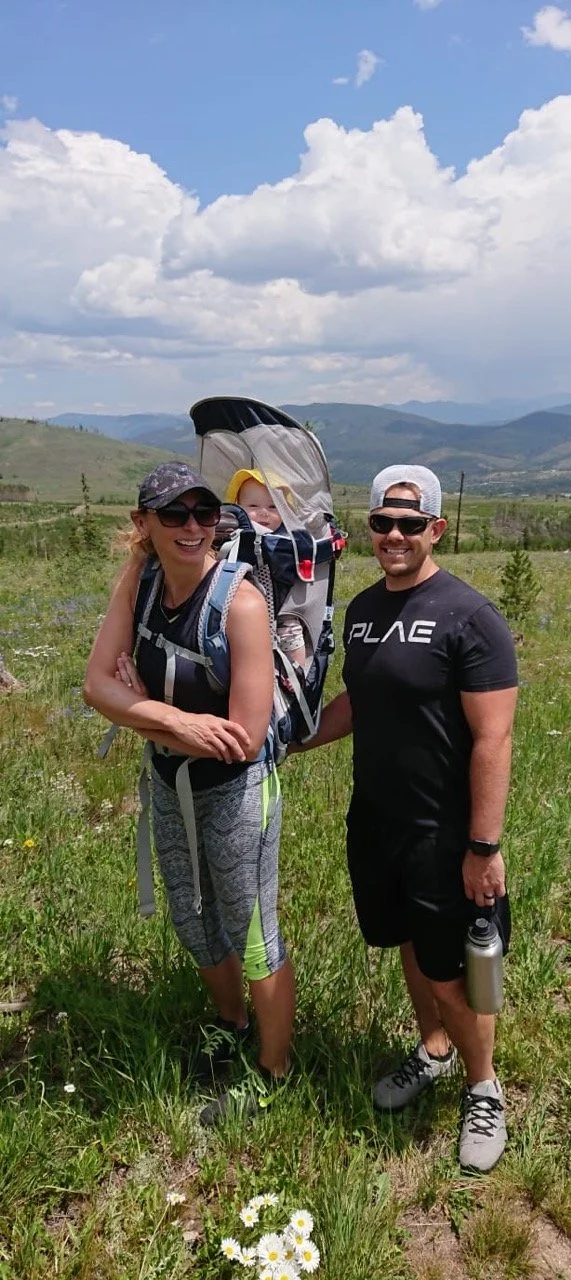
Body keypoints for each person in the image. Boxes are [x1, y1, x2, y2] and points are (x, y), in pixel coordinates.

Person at [296, 464, 518, 1173]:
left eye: (411, 524)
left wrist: (483, 845)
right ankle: (432, 1050)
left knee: (451, 971)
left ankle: (484, 1089)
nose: (395, 535)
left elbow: (494, 738)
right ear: (370, 529)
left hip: (444, 832)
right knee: (407, 949)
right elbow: (358, 704)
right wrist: (290, 737)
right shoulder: (360, 612)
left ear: (436, 530)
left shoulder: (470, 617)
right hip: (377, 822)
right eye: (383, 523)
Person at [83, 462, 295, 1120]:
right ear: (142, 523)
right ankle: (230, 1024)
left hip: (237, 792)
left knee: (254, 932)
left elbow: (243, 736)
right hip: (166, 781)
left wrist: (139, 708)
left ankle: (274, 1068)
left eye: (205, 513)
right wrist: (171, 719)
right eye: (173, 514)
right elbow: (96, 686)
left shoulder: (242, 603)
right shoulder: (139, 582)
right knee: (192, 917)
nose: (192, 527)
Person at [226, 468, 308, 672]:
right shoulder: (233, 534)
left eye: (274, 506)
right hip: (237, 606)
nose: (264, 512)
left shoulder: (288, 539)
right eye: (253, 506)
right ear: (237, 507)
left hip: (282, 608)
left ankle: (297, 674)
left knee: (292, 631)